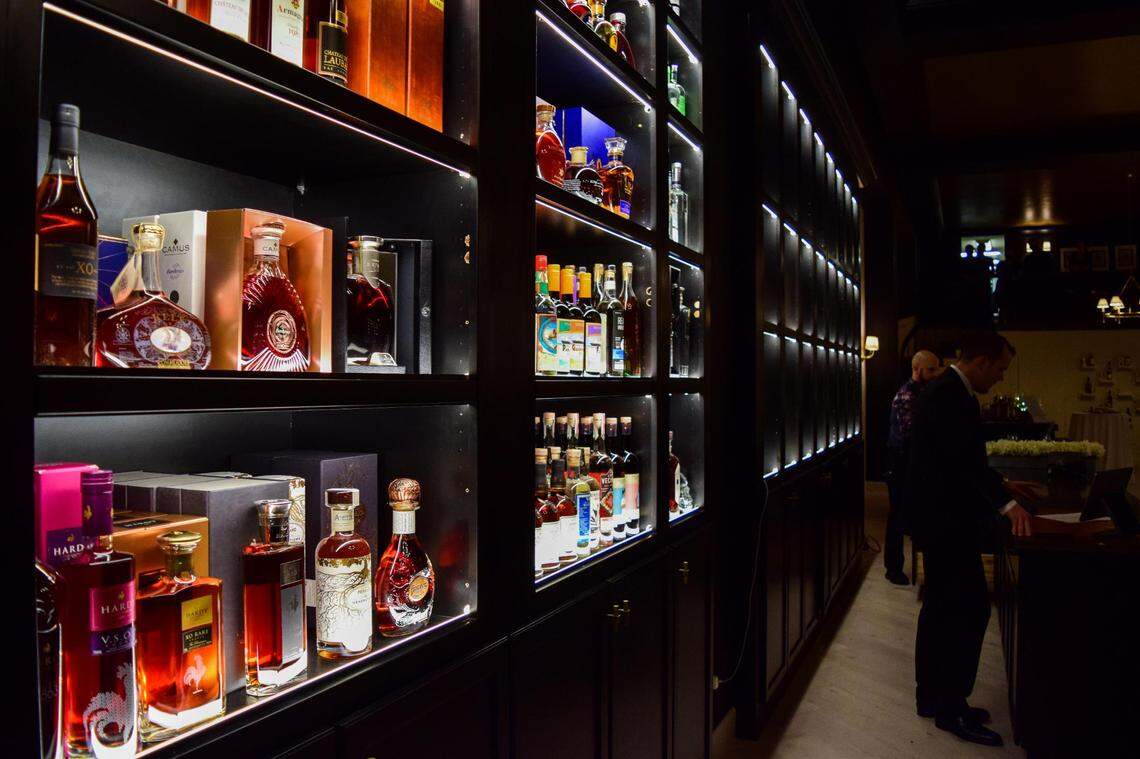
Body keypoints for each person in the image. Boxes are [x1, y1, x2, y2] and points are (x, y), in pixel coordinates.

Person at [906, 331, 1034, 747]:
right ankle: (952, 707)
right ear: (981, 361)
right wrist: (1007, 504)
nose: (1000, 377)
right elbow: (962, 464)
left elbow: (962, 459)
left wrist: (1003, 485)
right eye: (1000, 368)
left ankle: (932, 697)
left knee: (941, 610)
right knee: (969, 610)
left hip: (939, 521)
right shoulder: (950, 395)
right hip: (947, 523)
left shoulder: (947, 391)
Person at [884, 350, 941, 585]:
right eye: (931, 369)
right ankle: (893, 568)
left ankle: (897, 566)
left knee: (901, 516)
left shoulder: (919, 393)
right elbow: (912, 434)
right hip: (900, 463)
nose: (935, 374)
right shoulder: (908, 396)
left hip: (905, 461)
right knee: (898, 516)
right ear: (917, 369)